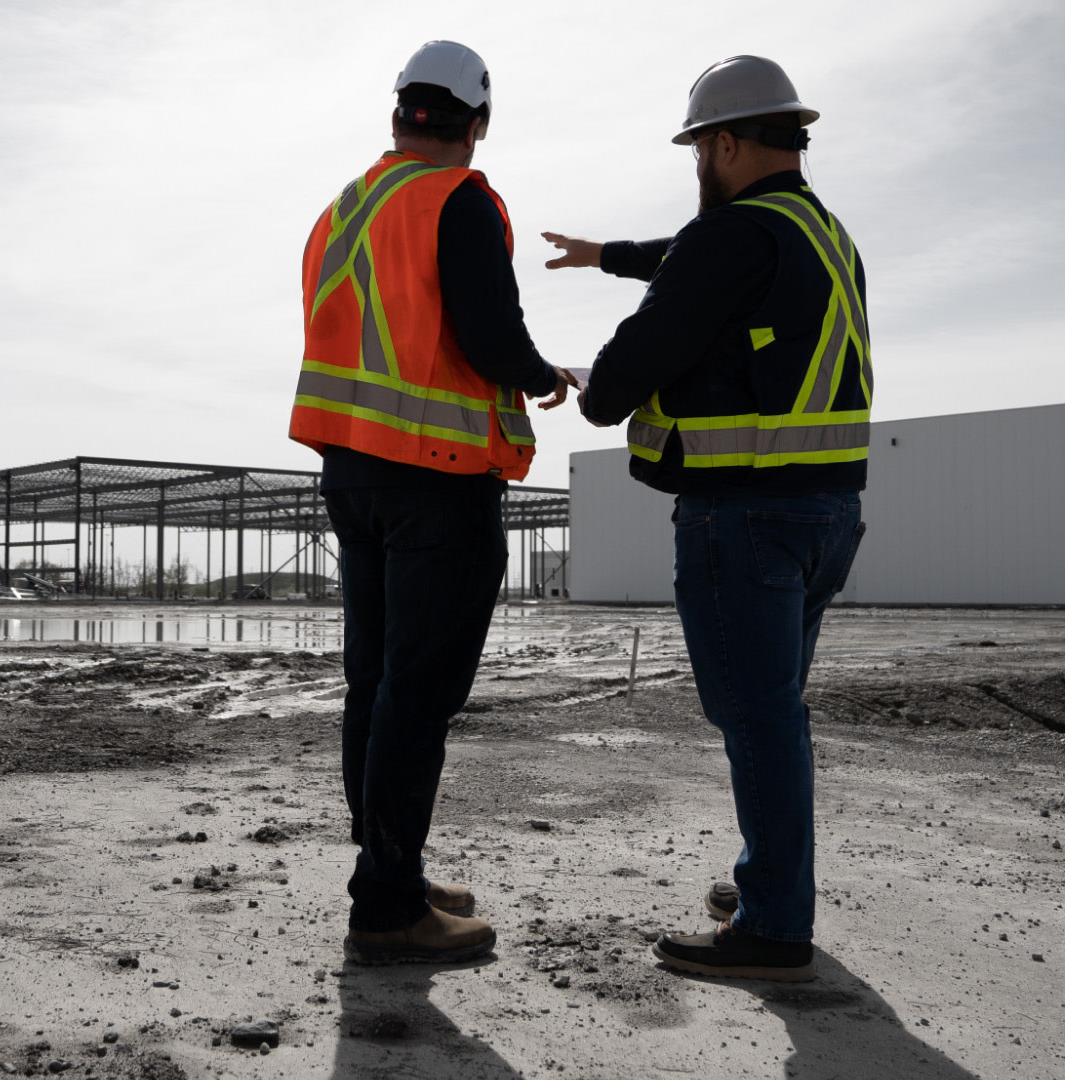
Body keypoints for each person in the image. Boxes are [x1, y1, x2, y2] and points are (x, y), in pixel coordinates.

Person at [543, 55, 870, 981]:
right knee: (776, 713)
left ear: (726, 143)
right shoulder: (818, 230)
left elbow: (644, 349)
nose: (695, 163)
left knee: (757, 718)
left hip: (746, 517)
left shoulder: (733, 238)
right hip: (825, 514)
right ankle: (772, 884)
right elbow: (696, 262)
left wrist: (592, 389)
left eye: (697, 147)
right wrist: (607, 255)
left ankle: (773, 927)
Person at [290, 40, 577, 965]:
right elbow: (492, 335)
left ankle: (392, 872)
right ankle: (387, 907)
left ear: (398, 112)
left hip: (352, 471)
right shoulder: (457, 200)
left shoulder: (343, 210)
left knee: (373, 684)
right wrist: (543, 377)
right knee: (417, 694)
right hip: (438, 476)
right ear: (475, 121)